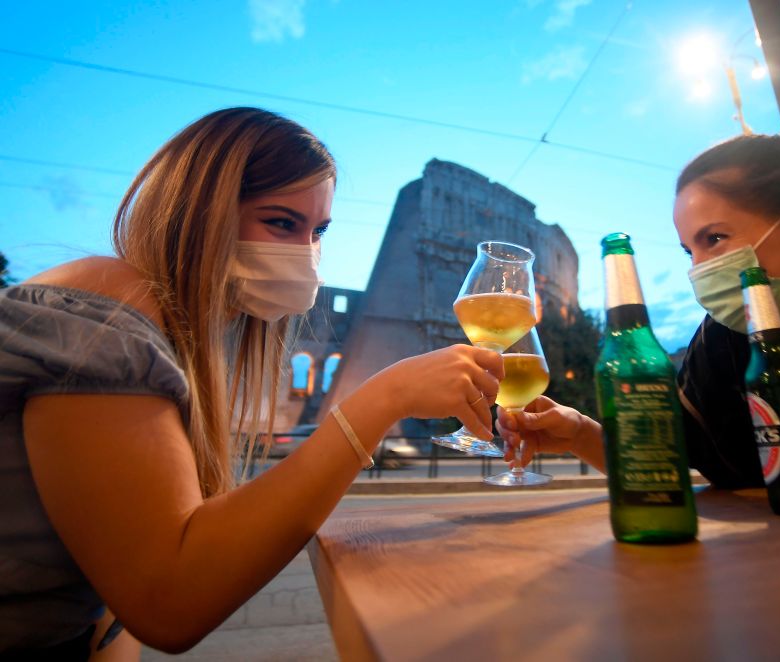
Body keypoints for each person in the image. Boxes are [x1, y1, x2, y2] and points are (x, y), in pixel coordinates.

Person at [0, 107, 503, 658]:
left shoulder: (161, 329)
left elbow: (111, 610)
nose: (306, 253)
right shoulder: (104, 310)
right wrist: (384, 398)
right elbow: (169, 603)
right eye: (282, 222)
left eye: (319, 231)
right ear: (199, 212)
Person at [499, 120, 780, 496]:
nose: (699, 271)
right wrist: (577, 431)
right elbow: (664, 465)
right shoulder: (723, 345)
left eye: (714, 239)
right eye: (689, 252)